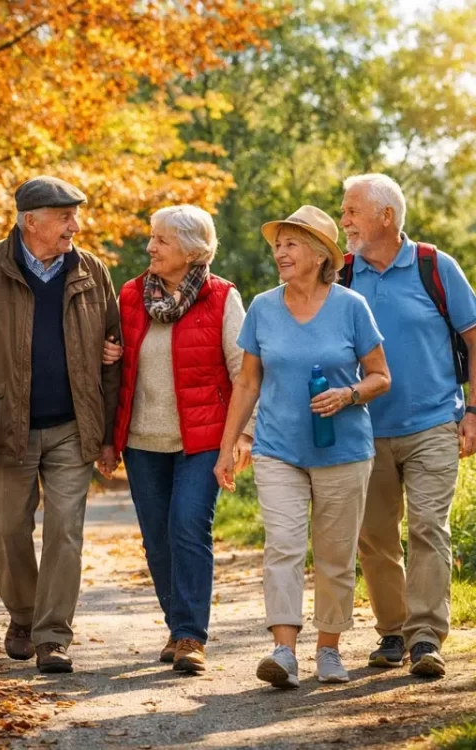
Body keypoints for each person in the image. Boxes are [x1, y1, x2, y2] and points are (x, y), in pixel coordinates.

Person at [0, 176, 121, 674]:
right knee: (6, 529)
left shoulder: (92, 271)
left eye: (76, 217)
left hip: (71, 426)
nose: (74, 227)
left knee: (66, 530)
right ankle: (24, 615)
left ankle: (53, 637)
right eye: (65, 218)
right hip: (2, 425)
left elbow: (113, 354)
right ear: (30, 221)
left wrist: (106, 433)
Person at [214, 205, 391, 688]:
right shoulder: (263, 307)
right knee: (284, 547)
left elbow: (381, 376)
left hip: (345, 452)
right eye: (278, 244)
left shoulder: (351, 307)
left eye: (291, 244)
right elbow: (247, 383)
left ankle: (329, 650)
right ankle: (284, 652)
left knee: (334, 555)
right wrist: (228, 446)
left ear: (318, 254)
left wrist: (348, 394)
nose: (280, 252)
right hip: (278, 450)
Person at [340, 174, 476, 677]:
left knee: (427, 528)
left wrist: (475, 413)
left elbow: (473, 337)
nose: (345, 221)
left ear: (386, 216)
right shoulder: (344, 273)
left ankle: (425, 638)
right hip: (364, 428)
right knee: (374, 536)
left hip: (434, 422)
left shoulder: (433, 267)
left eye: (352, 211)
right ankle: (392, 632)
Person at [108, 205, 253, 673]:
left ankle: (191, 635)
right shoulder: (130, 296)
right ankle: (177, 627)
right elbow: (112, 371)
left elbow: (245, 371)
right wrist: (106, 355)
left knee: (188, 525)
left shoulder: (222, 297)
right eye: (152, 238)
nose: (150, 247)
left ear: (192, 251)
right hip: (142, 439)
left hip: (204, 438)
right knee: (156, 537)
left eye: (161, 240)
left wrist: (243, 437)